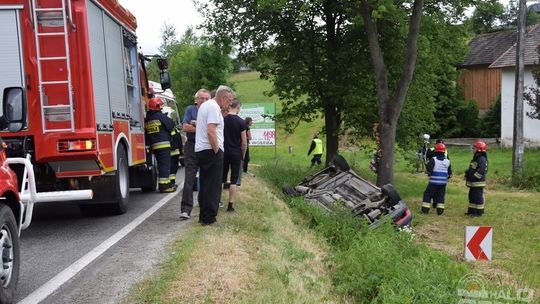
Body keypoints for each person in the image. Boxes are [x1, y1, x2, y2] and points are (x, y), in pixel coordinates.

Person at [195, 85, 235, 225]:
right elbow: (211, 131)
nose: (230, 104)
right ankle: (210, 218)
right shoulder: (213, 107)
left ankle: (203, 216)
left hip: (202, 150)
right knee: (213, 186)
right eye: (229, 101)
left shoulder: (206, 106)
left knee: (205, 185)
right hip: (211, 150)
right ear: (223, 97)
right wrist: (217, 150)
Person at [180, 89, 210, 220]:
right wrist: (202, 128)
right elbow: (185, 127)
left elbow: (213, 129)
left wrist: (196, 125)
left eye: (206, 98)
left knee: (206, 177)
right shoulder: (190, 109)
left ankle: (205, 206)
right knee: (189, 178)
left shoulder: (211, 111)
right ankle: (186, 209)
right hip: (191, 146)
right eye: (201, 98)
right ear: (196, 99)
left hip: (205, 146)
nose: (203, 100)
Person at [145, 97, 176, 192]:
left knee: (161, 165)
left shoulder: (148, 119)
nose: (161, 108)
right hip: (164, 145)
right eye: (160, 106)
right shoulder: (159, 116)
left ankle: (166, 184)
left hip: (154, 146)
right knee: (165, 165)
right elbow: (170, 124)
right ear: (156, 106)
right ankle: (164, 187)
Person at [222, 99, 247, 212]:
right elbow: (244, 142)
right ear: (238, 108)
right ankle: (230, 206)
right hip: (236, 153)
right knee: (233, 179)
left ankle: (217, 201)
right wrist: (243, 153)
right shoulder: (241, 122)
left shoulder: (223, 120)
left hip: (224, 152)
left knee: (221, 178)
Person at [421, 142, 452, 215]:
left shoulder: (433, 159)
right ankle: (440, 212)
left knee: (427, 194)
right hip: (443, 183)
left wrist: (426, 164)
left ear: (436, 151)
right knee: (441, 196)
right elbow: (449, 173)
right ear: (444, 151)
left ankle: (425, 211)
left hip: (433, 182)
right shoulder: (448, 161)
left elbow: (429, 170)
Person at [465, 140, 488, 217]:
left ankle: (479, 212)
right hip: (474, 183)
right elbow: (473, 168)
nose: (472, 149)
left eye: (474, 148)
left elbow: (481, 171)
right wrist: (468, 173)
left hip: (478, 182)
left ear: (479, 149)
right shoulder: (476, 158)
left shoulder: (481, 158)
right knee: (471, 197)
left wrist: (473, 177)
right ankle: (471, 211)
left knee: (477, 197)